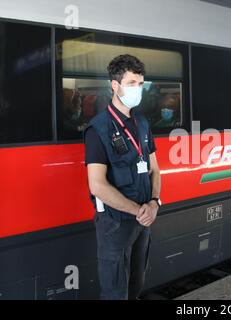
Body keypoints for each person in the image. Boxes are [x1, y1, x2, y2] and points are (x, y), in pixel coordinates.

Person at [84, 54, 161, 300]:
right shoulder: (98, 129)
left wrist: (154, 202)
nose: (137, 89)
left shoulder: (142, 124)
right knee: (115, 292)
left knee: (136, 284)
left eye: (140, 84)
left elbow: (154, 169)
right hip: (115, 224)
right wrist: (136, 209)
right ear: (115, 86)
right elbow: (97, 185)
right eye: (131, 83)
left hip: (143, 220)